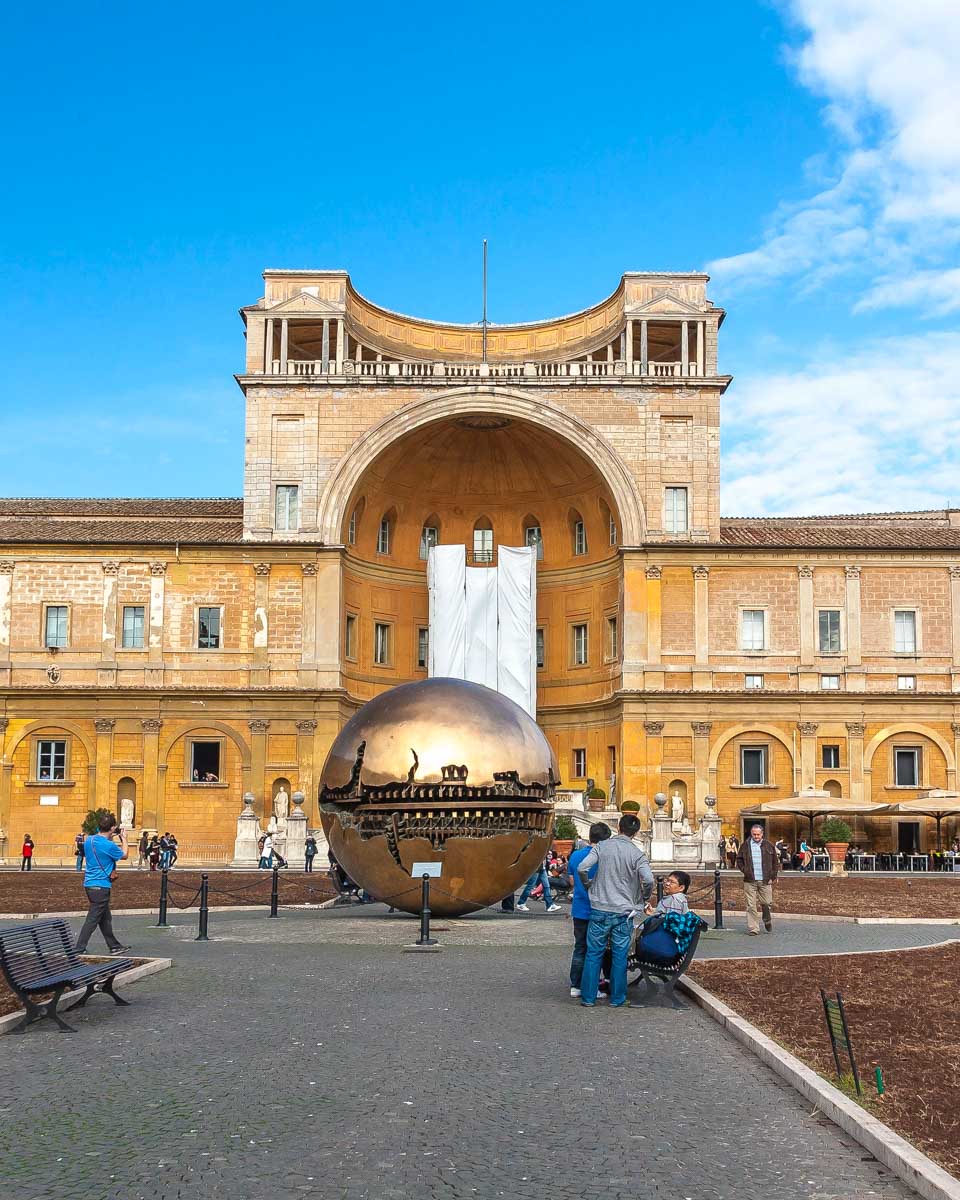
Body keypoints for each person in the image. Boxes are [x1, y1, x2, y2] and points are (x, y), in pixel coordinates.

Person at [577, 813, 655, 1008]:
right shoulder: (637, 854)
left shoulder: (602, 846)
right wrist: (644, 897)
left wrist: (589, 886)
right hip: (624, 911)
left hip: (600, 907)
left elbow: (582, 868)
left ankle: (588, 997)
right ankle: (617, 998)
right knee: (620, 956)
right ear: (635, 833)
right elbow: (648, 879)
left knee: (593, 953)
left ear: (618, 828)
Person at [74, 812, 130, 955]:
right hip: (101, 885)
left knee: (105, 918)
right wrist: (124, 839)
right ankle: (79, 948)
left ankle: (114, 946)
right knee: (93, 918)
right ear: (112, 828)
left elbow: (100, 844)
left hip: (89, 884)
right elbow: (124, 855)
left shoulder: (89, 840)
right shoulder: (109, 845)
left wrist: (110, 834)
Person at [568, 822, 612, 998]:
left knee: (580, 947)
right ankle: (593, 985)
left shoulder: (576, 855)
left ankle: (576, 985)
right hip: (599, 908)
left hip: (579, 906)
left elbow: (572, 881)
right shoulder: (604, 857)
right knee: (597, 950)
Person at [736, 823, 779, 935]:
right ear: (751, 834)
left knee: (767, 902)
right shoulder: (745, 845)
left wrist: (773, 876)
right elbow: (739, 859)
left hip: (765, 880)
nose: (756, 836)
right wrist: (745, 870)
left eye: (758, 834)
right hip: (750, 880)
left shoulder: (768, 845)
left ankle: (766, 918)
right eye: (754, 834)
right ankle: (754, 928)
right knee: (751, 905)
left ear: (762, 834)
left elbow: (775, 862)